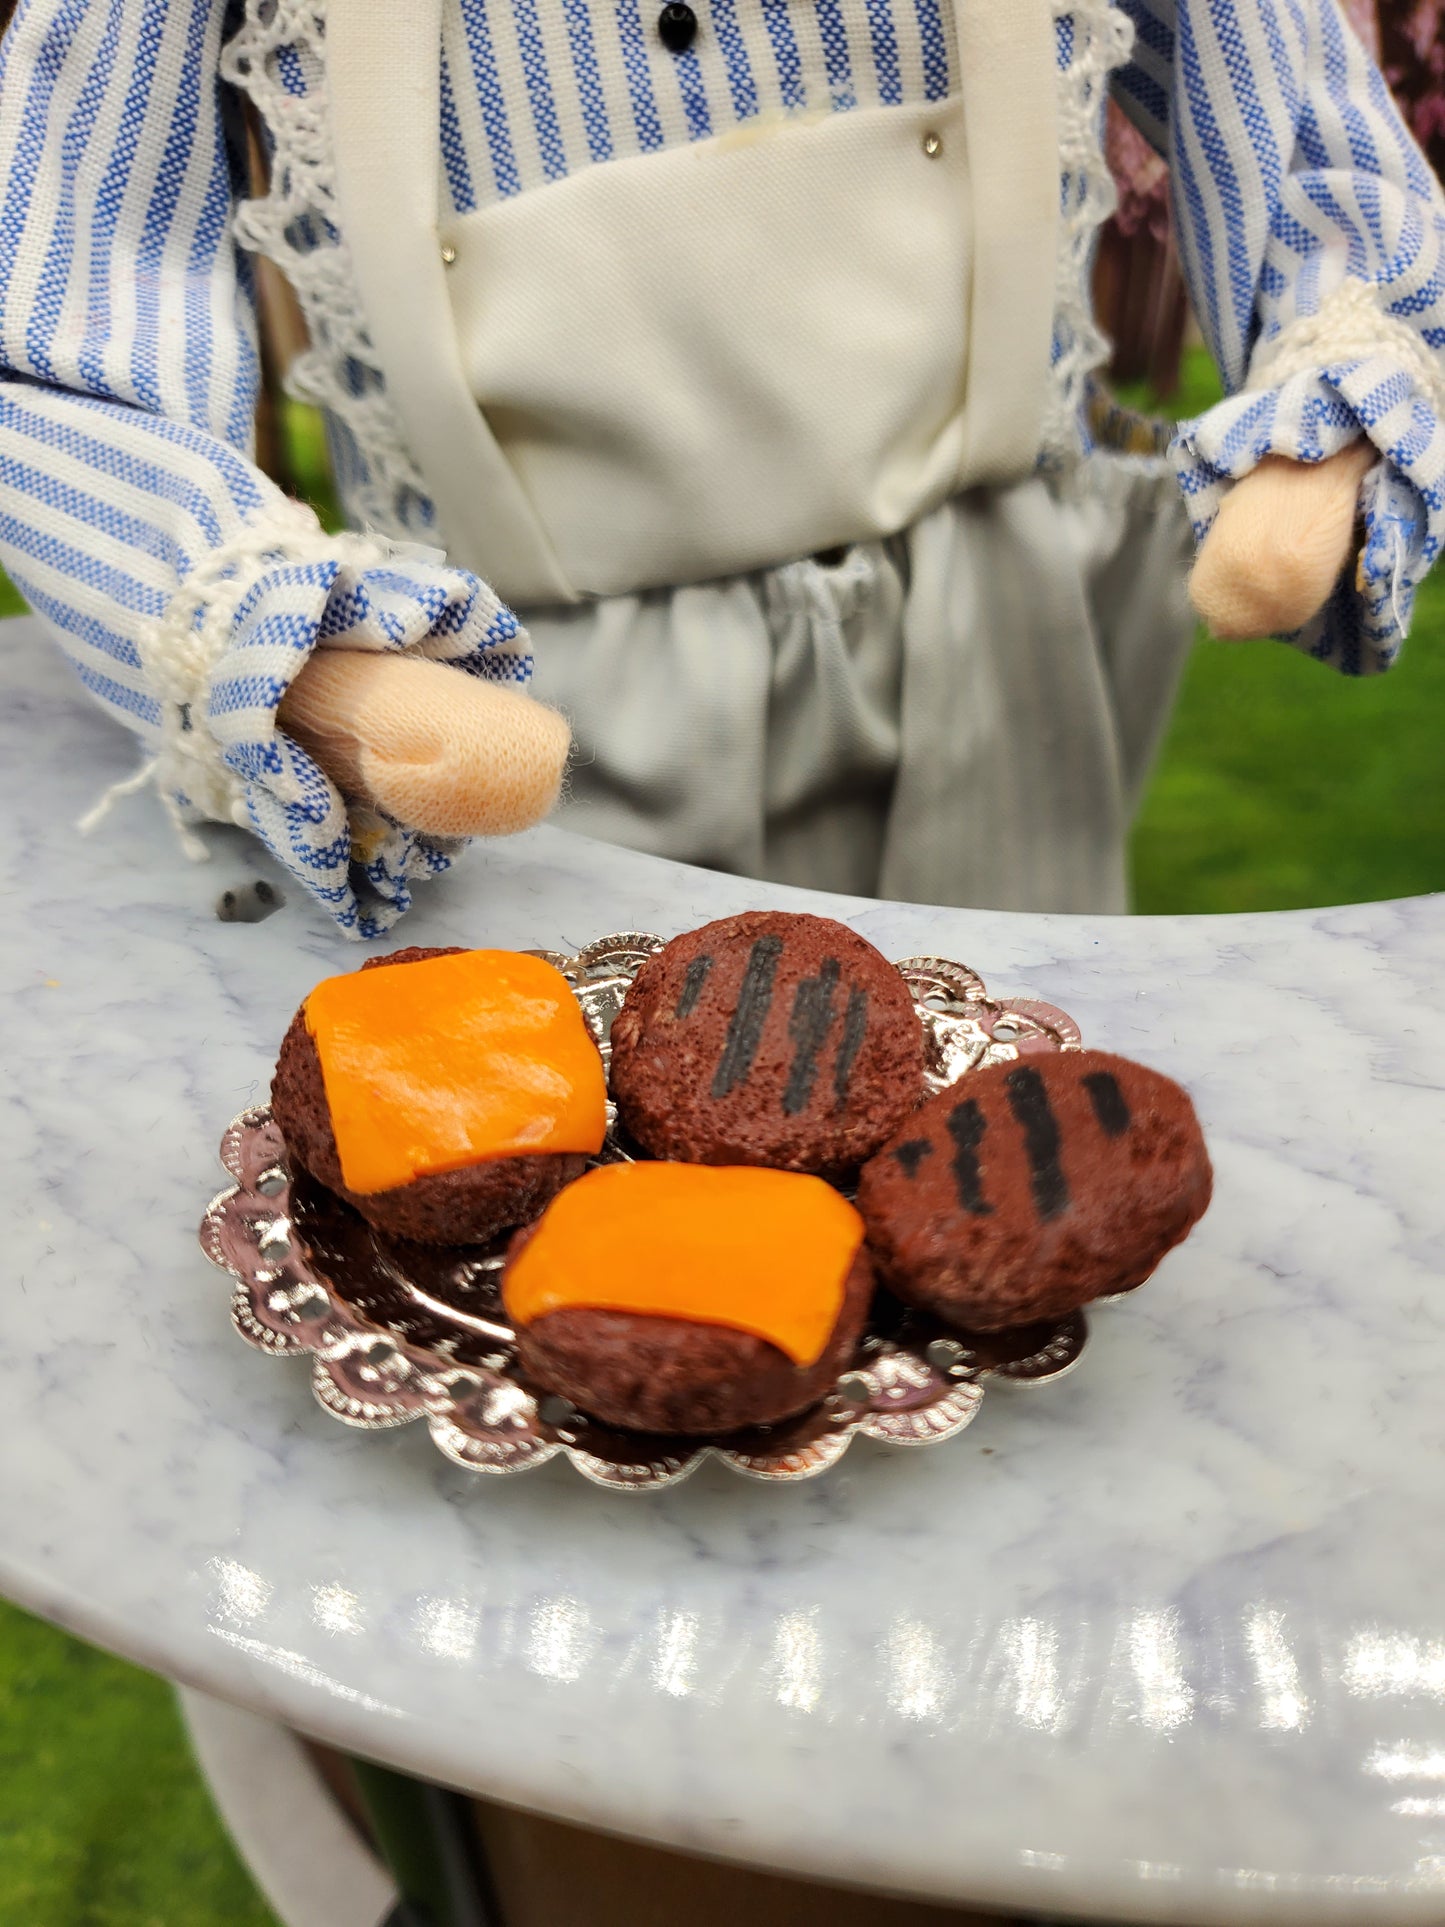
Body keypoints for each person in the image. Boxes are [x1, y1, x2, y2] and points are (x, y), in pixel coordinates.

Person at [0, 0, 1440, 937]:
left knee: (1014, 1103)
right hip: (527, 710)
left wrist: (1327, 387)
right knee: (592, 1196)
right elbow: (68, 300)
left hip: (998, 652)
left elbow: (1285, 97)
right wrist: (294, 662)